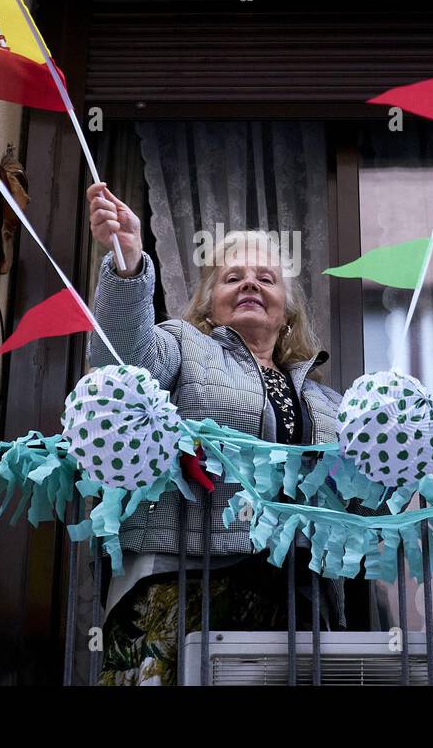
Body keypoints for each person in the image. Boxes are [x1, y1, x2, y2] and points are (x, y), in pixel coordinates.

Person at [85, 181, 349, 685]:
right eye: (233, 278)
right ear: (208, 304)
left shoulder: (325, 402)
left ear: (287, 310)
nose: (250, 284)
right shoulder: (181, 344)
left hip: (292, 591)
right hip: (180, 578)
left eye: (265, 278)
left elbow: (358, 496)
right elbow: (119, 366)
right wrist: (128, 269)